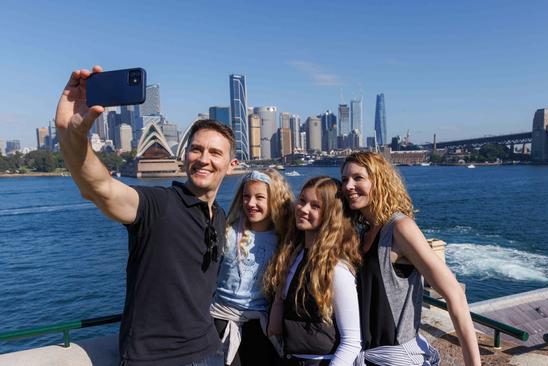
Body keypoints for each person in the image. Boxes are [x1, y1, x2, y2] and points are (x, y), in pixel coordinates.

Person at [55, 66, 238, 366]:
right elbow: (99, 188)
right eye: (196, 149)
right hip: (155, 359)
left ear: (230, 165)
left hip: (210, 350)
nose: (204, 159)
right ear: (184, 156)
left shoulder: (218, 217)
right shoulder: (158, 205)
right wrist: (71, 134)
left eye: (215, 153)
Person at [340, 152, 481, 366]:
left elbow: (455, 294)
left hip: (395, 359)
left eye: (358, 178)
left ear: (379, 181)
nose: (348, 186)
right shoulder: (363, 234)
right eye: (344, 180)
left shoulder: (399, 228)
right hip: (368, 359)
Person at [265, 177, 362, 365]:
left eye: (315, 206)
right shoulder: (294, 256)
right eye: (301, 201)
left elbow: (351, 342)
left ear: (330, 214)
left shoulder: (337, 269)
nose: (303, 209)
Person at [211, 169, 293, 366]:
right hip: (219, 321)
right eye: (246, 196)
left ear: (274, 200)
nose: (251, 203)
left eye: (259, 197)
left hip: (260, 326)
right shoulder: (227, 232)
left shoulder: (284, 239)